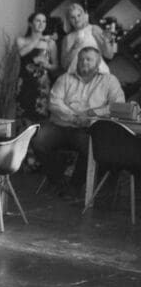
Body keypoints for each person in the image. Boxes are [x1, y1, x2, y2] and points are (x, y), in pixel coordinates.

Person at [31, 46, 124, 193]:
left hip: (90, 130)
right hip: (62, 127)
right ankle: (57, 178)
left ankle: (74, 186)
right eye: (81, 59)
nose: (84, 62)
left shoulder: (109, 81)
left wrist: (90, 115)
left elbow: (118, 106)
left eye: (88, 59)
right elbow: (54, 103)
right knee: (37, 138)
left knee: (92, 145)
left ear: (98, 62)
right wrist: (74, 118)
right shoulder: (65, 78)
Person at [15, 12, 58, 122]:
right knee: (22, 115)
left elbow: (55, 66)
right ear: (30, 23)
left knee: (40, 116)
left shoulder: (50, 43)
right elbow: (22, 53)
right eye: (38, 21)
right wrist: (39, 39)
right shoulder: (21, 40)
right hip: (24, 82)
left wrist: (46, 65)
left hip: (42, 84)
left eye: (44, 21)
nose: (41, 24)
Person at [61, 3, 115, 75]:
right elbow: (65, 65)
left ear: (83, 15)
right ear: (68, 20)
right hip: (75, 77)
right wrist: (73, 48)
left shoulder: (94, 29)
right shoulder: (67, 38)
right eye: (72, 17)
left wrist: (103, 40)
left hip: (98, 74)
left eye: (79, 15)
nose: (76, 19)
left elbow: (110, 55)